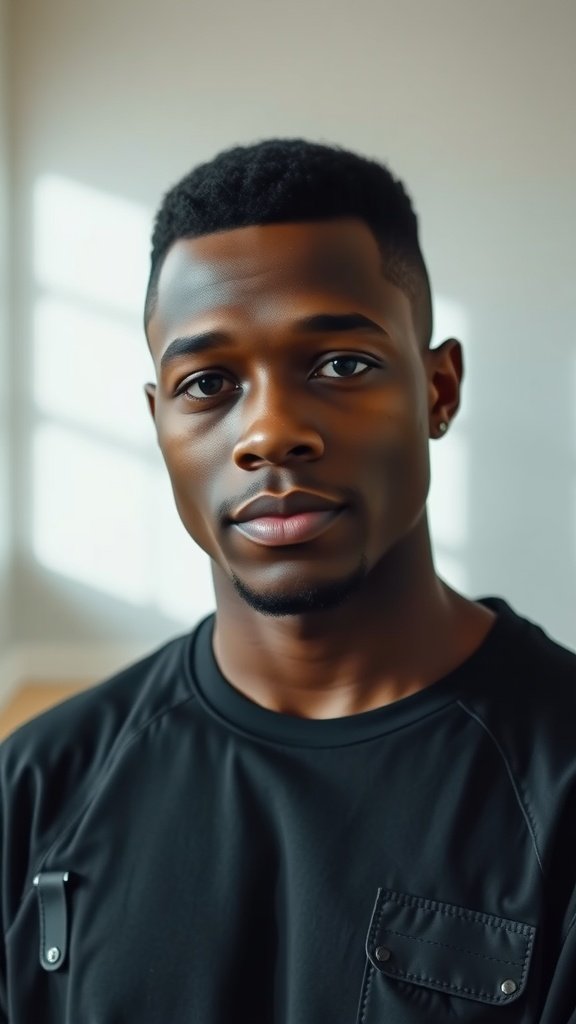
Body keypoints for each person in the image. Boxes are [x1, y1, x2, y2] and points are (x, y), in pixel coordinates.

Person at [1, 138, 575, 1024]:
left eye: (341, 364)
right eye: (208, 382)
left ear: (438, 388)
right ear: (158, 423)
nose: (269, 432)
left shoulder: (562, 782)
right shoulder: (38, 787)